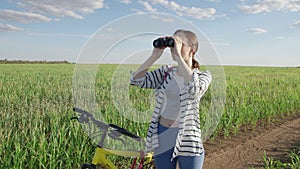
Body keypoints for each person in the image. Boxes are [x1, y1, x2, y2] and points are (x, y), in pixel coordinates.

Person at [130, 29, 212, 169]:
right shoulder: (166, 72)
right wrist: (154, 56)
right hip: (163, 135)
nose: (174, 48)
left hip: (188, 138)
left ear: (192, 49)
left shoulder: (203, 76)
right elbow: (137, 80)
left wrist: (180, 58)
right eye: (173, 44)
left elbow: (194, 90)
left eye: (180, 44)